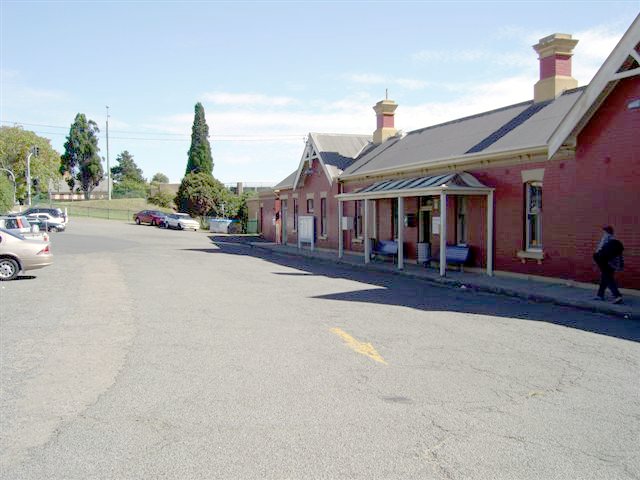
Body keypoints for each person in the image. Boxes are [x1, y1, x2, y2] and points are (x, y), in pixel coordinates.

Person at [593, 226, 624, 303]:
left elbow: (599, 251)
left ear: (606, 232)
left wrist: (597, 260)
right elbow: (619, 255)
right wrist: (619, 265)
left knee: (608, 278)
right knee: (605, 277)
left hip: (606, 262)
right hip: (613, 264)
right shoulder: (615, 241)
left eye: (604, 232)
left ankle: (617, 295)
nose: (603, 233)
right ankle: (600, 295)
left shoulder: (606, 239)